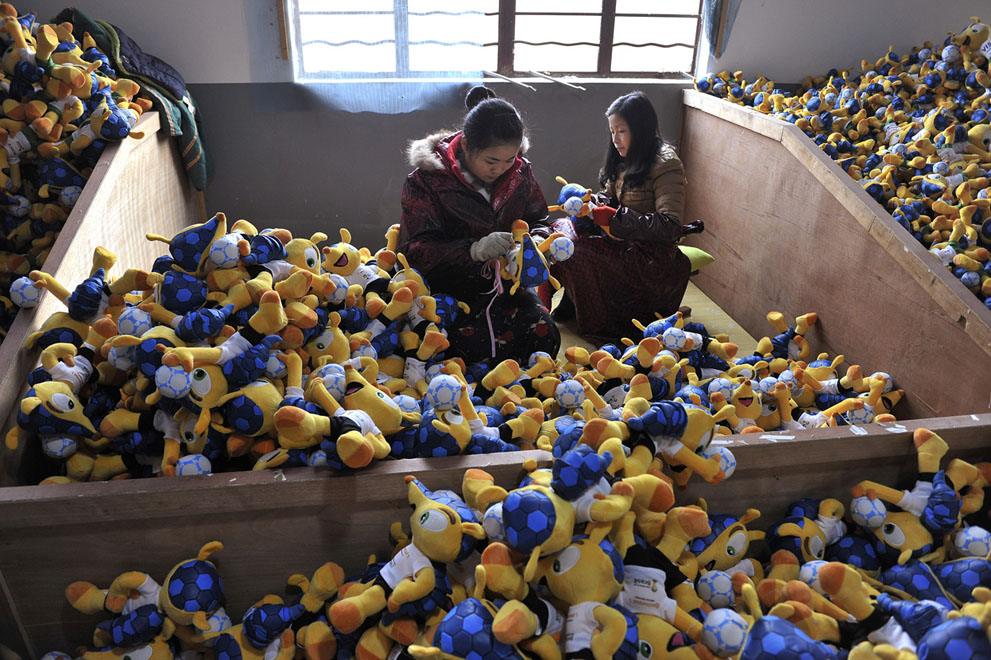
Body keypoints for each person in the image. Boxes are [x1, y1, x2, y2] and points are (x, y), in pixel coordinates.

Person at [398, 86, 560, 368]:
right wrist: (472, 251)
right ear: (465, 145)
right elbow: (414, 251)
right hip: (450, 287)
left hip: (506, 286)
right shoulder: (427, 180)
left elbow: (538, 220)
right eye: (491, 161)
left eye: (510, 159)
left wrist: (531, 246)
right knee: (447, 346)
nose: (501, 169)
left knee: (545, 334)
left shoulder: (520, 173)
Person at [550, 91, 703, 344]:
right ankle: (576, 300)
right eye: (612, 132)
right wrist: (590, 205)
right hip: (624, 239)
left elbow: (669, 225)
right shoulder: (621, 159)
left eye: (621, 131)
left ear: (641, 129)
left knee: (579, 250)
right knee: (560, 231)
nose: (615, 139)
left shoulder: (666, 164)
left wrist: (614, 217)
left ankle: (598, 319)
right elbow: (610, 198)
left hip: (651, 256)